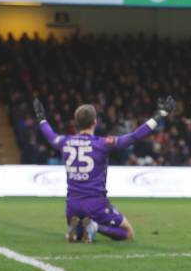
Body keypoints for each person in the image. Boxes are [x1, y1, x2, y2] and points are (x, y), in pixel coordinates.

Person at [34, 96, 175, 243]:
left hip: (72, 206)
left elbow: (50, 135)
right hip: (96, 205)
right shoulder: (102, 144)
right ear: (95, 122)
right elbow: (134, 136)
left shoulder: (65, 142)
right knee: (128, 233)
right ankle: (96, 227)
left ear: (76, 123)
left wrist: (41, 118)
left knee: (79, 228)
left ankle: (76, 230)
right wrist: (159, 115)